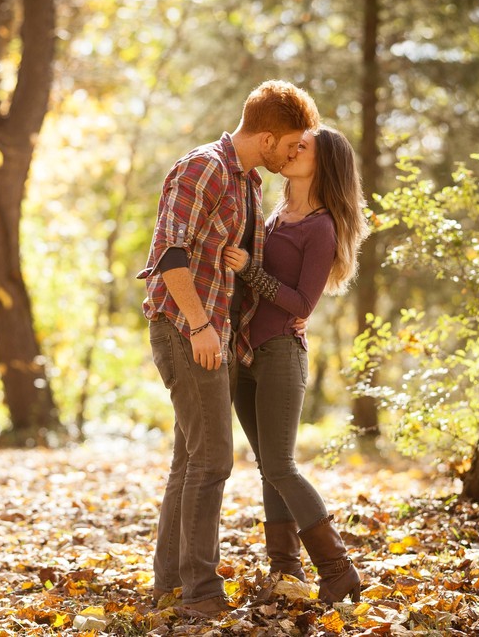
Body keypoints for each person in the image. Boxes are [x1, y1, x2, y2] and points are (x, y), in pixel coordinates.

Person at [138, 81, 319, 617]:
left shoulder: (249, 184)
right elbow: (170, 257)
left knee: (190, 459)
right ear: (267, 137)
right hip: (185, 327)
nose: (292, 156)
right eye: (289, 147)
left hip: (213, 330)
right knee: (213, 459)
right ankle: (200, 593)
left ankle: (170, 584)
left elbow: (237, 268)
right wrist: (200, 326)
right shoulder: (204, 168)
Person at [222, 125, 369, 603]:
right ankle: (286, 574)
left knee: (281, 465)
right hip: (243, 352)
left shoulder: (321, 226)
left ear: (321, 163)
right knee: (267, 468)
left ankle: (338, 569)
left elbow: (302, 303)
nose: (291, 150)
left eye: (301, 147)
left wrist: (250, 271)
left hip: (282, 352)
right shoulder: (277, 214)